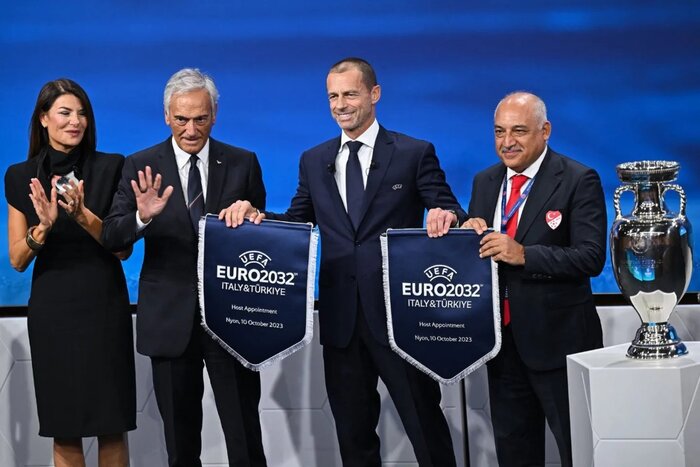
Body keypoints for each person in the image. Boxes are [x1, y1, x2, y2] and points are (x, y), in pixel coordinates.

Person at [222, 57, 463, 466]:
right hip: (341, 322)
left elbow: (449, 207)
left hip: (398, 320)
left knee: (425, 427)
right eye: (333, 96)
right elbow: (298, 221)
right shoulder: (314, 159)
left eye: (349, 94)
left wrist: (447, 215)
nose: (340, 105)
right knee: (353, 435)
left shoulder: (413, 152)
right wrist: (256, 216)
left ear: (374, 94)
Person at [101, 68, 267, 467]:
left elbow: (265, 235)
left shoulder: (243, 163)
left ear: (214, 115)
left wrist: (255, 215)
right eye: (181, 119)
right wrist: (142, 217)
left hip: (233, 319)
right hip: (169, 321)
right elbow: (112, 236)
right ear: (166, 115)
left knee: (245, 438)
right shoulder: (140, 165)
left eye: (200, 118)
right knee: (180, 444)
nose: (191, 129)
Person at [462, 92, 606, 467]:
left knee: (577, 450)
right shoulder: (484, 181)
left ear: (545, 131)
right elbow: (480, 255)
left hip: (560, 344)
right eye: (499, 131)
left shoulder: (578, 179)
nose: (507, 142)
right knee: (514, 453)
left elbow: (591, 257)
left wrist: (524, 255)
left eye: (519, 131)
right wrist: (464, 235)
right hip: (500, 345)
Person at [4, 79, 136, 467]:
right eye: (65, 112)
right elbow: (17, 259)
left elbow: (123, 248)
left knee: (112, 423)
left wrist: (81, 215)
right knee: (64, 425)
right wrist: (43, 228)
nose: (75, 121)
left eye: (82, 114)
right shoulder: (20, 176)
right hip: (53, 312)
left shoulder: (112, 167)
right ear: (44, 118)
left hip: (104, 306)